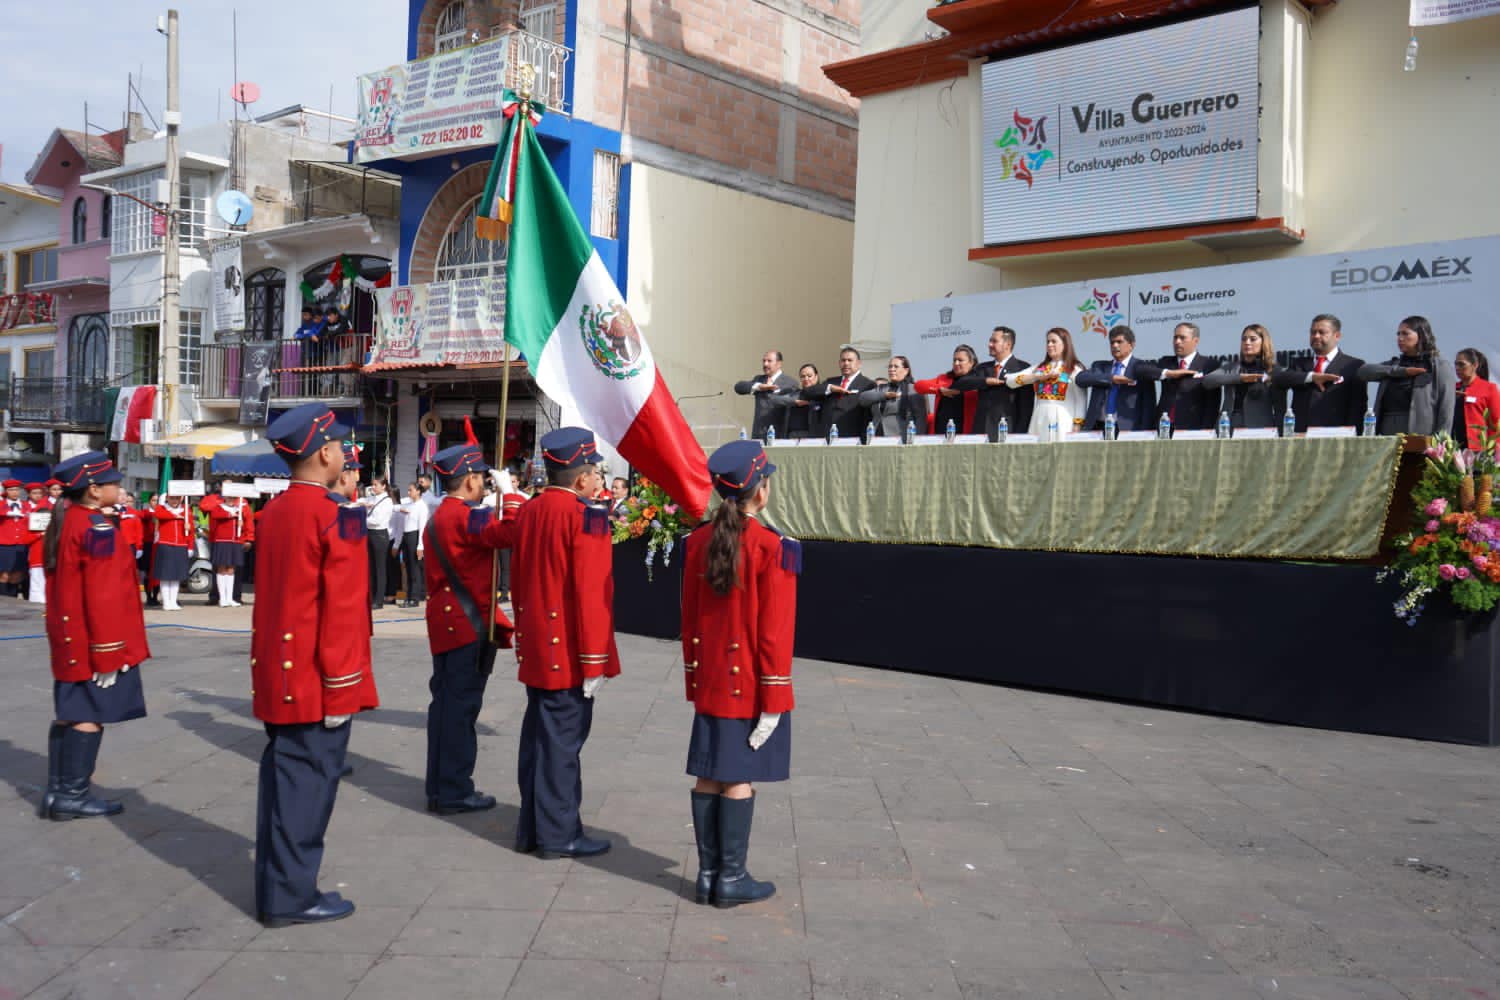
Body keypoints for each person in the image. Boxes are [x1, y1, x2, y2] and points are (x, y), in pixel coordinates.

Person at [251, 403, 379, 927]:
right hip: (315, 678)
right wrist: (343, 687)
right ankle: (291, 897)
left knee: (284, 785)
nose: (346, 453)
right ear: (325, 453)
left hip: (279, 669)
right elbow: (344, 610)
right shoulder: (336, 515)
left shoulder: (277, 510)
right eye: (341, 446)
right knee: (308, 788)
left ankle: (279, 887)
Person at [681, 440, 797, 908]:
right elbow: (775, 633)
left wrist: (694, 678)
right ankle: (730, 878)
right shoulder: (774, 547)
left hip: (711, 678)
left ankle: (709, 875)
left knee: (709, 775)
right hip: (749, 684)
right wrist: (775, 698)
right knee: (737, 779)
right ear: (760, 491)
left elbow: (689, 618)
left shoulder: (696, 541)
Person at [510, 427, 620, 859]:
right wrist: (595, 662)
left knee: (538, 741)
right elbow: (593, 596)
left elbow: (518, 581)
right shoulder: (585, 516)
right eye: (595, 472)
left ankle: (533, 829)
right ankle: (559, 835)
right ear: (581, 479)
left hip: (538, 643)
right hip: (570, 651)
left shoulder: (532, 510)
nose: (598, 481)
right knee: (561, 748)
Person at [39, 451, 150, 820]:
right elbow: (102, 596)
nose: (119, 489)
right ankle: (72, 795)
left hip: (70, 636)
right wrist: (108, 653)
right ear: (92, 490)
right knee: (87, 715)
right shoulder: (96, 529)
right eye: (113, 484)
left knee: (69, 713)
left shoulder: (70, 519)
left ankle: (58, 793)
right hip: (92, 640)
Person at [421, 444, 526, 815]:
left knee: (445, 708)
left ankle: (439, 786)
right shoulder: (463, 517)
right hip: (467, 625)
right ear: (469, 479)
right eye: (482, 477)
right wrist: (510, 493)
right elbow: (511, 533)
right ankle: (454, 790)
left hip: (447, 622)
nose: (484, 483)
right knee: (461, 711)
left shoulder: (445, 515)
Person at [1358, 316, 1455, 437]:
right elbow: (1363, 372)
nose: (1400, 338)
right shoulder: (1395, 365)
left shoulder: (1438, 365)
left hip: (1421, 435)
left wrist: (1441, 441)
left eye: (1405, 334)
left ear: (1421, 335)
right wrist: (1402, 371)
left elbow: (1446, 408)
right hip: (1387, 433)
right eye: (1398, 334)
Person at [1273, 314, 1368, 433]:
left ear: (1337, 336)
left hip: (1336, 435)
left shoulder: (1354, 365)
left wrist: (1352, 436)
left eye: (1322, 332)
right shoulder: (1298, 364)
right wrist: (1312, 377)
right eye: (1313, 332)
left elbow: (1358, 407)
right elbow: (1279, 379)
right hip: (1301, 435)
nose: (1316, 336)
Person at [952, 326, 1033, 441]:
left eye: (994, 341)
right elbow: (961, 383)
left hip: (1006, 432)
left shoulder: (1022, 368)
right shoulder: (983, 368)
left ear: (1008, 344)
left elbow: (1026, 408)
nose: (990, 344)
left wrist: (1019, 436)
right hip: (981, 433)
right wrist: (985, 381)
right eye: (990, 341)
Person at [1007, 327, 1088, 439]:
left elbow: (1081, 400)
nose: (1049, 345)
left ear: (1065, 344)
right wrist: (1038, 377)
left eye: (1054, 341)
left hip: (1063, 419)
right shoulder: (1039, 368)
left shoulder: (1074, 369)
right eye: (1048, 342)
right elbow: (1010, 381)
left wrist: (1077, 425)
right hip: (1039, 417)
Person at [1205, 324, 1288, 430]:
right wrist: (1240, 378)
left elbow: (1279, 408)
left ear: (1263, 342)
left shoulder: (1273, 370)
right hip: (1228, 428)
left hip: (1260, 429)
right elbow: (1207, 381)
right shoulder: (1232, 367)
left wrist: (1280, 434)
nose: (1247, 342)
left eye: (1252, 339)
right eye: (1244, 339)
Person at [1078, 325, 1157, 433]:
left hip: (1128, 428)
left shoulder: (1141, 368)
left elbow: (1148, 406)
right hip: (1097, 426)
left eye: (1119, 342)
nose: (1115, 345)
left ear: (1131, 345)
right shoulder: (1100, 366)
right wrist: (1111, 378)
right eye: (1112, 342)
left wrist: (1143, 432)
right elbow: (1080, 379)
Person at [1144, 322, 1221, 430]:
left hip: (1193, 428)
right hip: (1163, 427)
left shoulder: (1209, 365)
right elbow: (1142, 370)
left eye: (1182, 338)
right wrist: (1169, 373)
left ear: (1195, 341)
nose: (1177, 342)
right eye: (1175, 337)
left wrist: (1206, 430)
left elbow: (1212, 404)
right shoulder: (1165, 362)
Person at [803, 348, 876, 439]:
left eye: (850, 360)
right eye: (843, 360)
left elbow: (867, 415)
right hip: (827, 436)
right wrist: (830, 388)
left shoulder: (867, 384)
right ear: (839, 363)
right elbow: (807, 392)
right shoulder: (831, 382)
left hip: (852, 437)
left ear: (859, 363)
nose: (846, 363)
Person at [200, 485, 253, 607]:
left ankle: (230, 598)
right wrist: (231, 515)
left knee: (231, 569)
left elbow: (248, 520)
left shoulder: (241, 507)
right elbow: (215, 514)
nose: (231, 499)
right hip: (222, 541)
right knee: (221, 568)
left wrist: (247, 536)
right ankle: (222, 598)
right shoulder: (218, 506)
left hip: (236, 542)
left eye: (233, 496)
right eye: (229, 496)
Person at [915, 345, 981, 435]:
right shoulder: (944, 378)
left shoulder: (978, 381)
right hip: (940, 434)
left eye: (960, 360)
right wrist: (940, 390)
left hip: (965, 435)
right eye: (954, 360)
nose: (956, 363)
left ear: (971, 362)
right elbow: (919, 385)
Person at [857, 355, 928, 438]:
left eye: (896, 367)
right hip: (876, 436)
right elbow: (862, 399)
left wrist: (917, 439)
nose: (891, 369)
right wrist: (884, 395)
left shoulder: (913, 389)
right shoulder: (882, 388)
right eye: (890, 366)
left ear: (906, 370)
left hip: (900, 438)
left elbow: (920, 418)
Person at [733, 350, 798, 440]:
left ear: (779, 364)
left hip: (779, 434)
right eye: (764, 361)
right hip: (758, 434)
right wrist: (759, 386)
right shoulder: (759, 379)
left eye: (769, 361)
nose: (765, 364)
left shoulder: (790, 382)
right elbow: (738, 387)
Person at [151, 494, 194, 611]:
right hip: (166, 544)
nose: (174, 501)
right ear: (167, 499)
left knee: (176, 576)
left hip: (181, 545)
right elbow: (159, 515)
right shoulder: (162, 508)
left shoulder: (186, 510)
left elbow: (191, 531)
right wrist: (177, 516)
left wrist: (190, 546)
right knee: (165, 576)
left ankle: (173, 601)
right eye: (172, 498)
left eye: (177, 498)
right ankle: (166, 602)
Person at [1454, 348, 1500, 449]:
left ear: (1475, 365)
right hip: (1453, 446)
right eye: (1456, 364)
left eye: (1461, 364)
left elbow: (1496, 422)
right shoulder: (1452, 388)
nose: (1457, 368)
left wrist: (1494, 449)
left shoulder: (1489, 388)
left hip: (1478, 448)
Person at [361, 474, 394, 609]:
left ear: (384, 486)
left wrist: (362, 519)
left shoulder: (387, 501)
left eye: (376, 485)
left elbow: (377, 521)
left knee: (380, 568)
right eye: (372, 485)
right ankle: (371, 596)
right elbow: (360, 501)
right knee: (371, 567)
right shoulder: (372, 498)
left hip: (379, 535)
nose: (373, 487)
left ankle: (378, 599)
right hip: (370, 534)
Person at [771, 364, 827, 440]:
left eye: (809, 376)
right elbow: (774, 400)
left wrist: (812, 403)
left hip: (814, 438)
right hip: (792, 436)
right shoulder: (796, 394)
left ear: (816, 376)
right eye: (803, 376)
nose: (806, 379)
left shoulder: (823, 394)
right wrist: (795, 402)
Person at [398, 482, 429, 607]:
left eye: (411, 490)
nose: (409, 492)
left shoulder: (422, 506)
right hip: (407, 536)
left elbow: (422, 527)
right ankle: (409, 595)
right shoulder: (409, 504)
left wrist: (420, 545)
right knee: (409, 567)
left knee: (415, 568)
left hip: (415, 537)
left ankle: (415, 597)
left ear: (418, 491)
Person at [0, 479, 28, 597]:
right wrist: (9, 513)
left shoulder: (26, 505)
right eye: (11, 490)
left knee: (17, 575)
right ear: (6, 491)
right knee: (4, 574)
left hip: (21, 543)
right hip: (4, 545)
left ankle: (13, 599)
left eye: (17, 489)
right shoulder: (1, 505)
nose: (14, 492)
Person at [24, 483, 49, 605]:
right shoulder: (30, 521)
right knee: (36, 582)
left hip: (50, 556)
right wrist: (39, 534)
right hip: (36, 556)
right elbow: (26, 539)